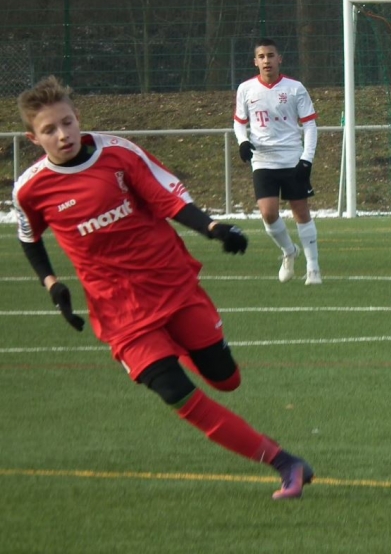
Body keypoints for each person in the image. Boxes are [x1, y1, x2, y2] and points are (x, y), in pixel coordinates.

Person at [14, 76, 314, 500]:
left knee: (226, 379)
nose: (62, 135)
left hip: (171, 285)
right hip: (119, 312)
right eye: (49, 129)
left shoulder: (118, 154)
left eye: (67, 122)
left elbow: (168, 198)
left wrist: (212, 228)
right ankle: (284, 462)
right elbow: (29, 237)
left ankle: (181, 347)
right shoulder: (30, 188)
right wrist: (52, 284)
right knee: (176, 393)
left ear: (78, 117)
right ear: (33, 138)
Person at [233, 38, 321, 285]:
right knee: (268, 213)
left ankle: (313, 268)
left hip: (292, 158)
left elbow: (310, 125)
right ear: (255, 61)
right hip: (263, 160)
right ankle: (289, 251)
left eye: (271, 55)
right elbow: (239, 123)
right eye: (261, 57)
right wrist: (243, 141)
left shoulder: (295, 88)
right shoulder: (246, 89)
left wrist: (306, 159)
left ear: (279, 59)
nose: (267, 61)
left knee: (301, 211)